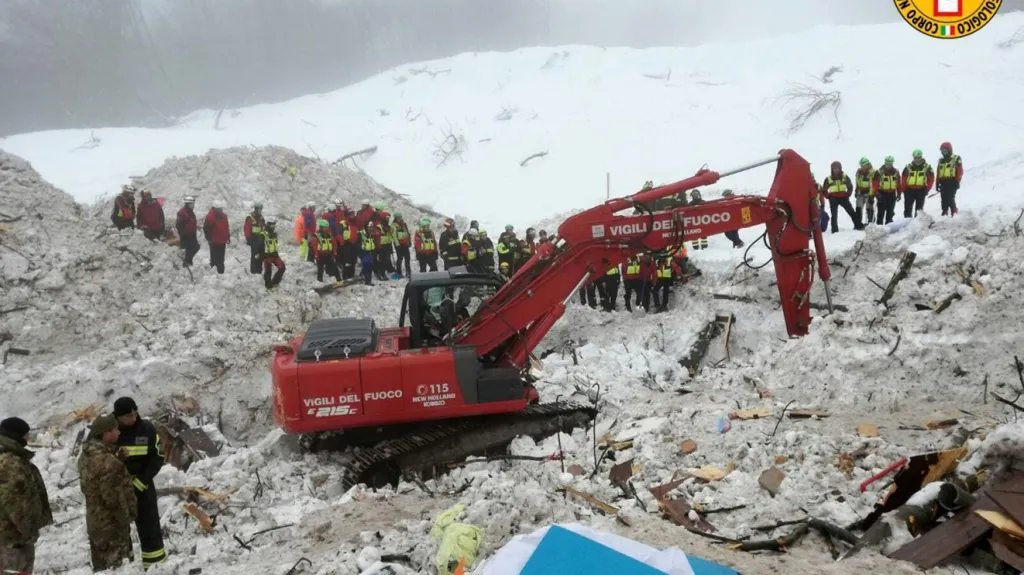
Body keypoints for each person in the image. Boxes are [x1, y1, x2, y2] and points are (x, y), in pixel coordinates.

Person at [114, 397, 166, 570]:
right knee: (118, 530)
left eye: (135, 413)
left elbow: (158, 456)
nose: (133, 418)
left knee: (150, 528)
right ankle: (124, 568)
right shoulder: (111, 432)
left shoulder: (147, 429)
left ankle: (156, 567)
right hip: (117, 489)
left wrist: (143, 480)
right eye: (128, 416)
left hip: (143, 486)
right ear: (118, 417)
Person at [79, 414, 136, 572]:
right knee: (116, 569)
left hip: (95, 522)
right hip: (112, 526)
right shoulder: (108, 462)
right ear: (106, 433)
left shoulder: (86, 456)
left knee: (101, 568)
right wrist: (126, 518)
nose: (119, 432)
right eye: (115, 429)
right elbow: (113, 498)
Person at [0, 417, 52, 574]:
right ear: (16, 436)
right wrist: (29, 532)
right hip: (12, 539)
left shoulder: (8, 457)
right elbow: (16, 505)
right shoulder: (10, 463)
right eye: (25, 435)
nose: (27, 439)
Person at [820, 161, 863, 233]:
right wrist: (829, 196)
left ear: (840, 168)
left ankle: (858, 225)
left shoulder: (845, 177)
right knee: (834, 215)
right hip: (833, 198)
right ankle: (834, 230)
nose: (836, 170)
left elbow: (850, 186)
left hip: (843, 197)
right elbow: (824, 190)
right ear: (832, 169)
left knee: (851, 211)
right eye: (834, 168)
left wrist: (848, 194)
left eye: (837, 168)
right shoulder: (828, 179)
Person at [901, 149, 935, 218]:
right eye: (915, 158)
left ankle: (917, 222)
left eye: (918, 157)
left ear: (921, 157)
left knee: (919, 209)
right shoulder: (908, 167)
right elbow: (903, 178)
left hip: (921, 190)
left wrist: (927, 189)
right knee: (907, 208)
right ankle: (907, 221)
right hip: (909, 190)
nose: (916, 159)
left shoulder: (927, 167)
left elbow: (931, 179)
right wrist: (904, 190)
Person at [936, 142, 963, 217]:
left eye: (945, 150)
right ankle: (945, 211)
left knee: (950, 197)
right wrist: (937, 183)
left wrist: (957, 181)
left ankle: (954, 211)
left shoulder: (956, 158)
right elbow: (938, 172)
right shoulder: (941, 161)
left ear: (949, 150)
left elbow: (959, 170)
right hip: (943, 182)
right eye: (942, 151)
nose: (944, 152)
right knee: (943, 198)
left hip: (952, 181)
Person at [203, 200, 230, 274]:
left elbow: (226, 227)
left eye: (220, 208)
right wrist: (209, 238)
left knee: (221, 257)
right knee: (214, 257)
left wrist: (228, 236)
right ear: (214, 208)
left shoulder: (224, 216)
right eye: (218, 209)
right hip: (214, 241)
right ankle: (213, 271)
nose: (219, 210)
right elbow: (206, 228)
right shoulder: (210, 217)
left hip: (222, 241)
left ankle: (221, 272)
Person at [875, 156, 902, 225]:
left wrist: (899, 194)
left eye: (890, 163)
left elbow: (898, 183)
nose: (888, 165)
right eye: (887, 163)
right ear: (885, 162)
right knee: (881, 212)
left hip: (892, 194)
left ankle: (889, 226)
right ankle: (879, 226)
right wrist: (877, 193)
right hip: (882, 194)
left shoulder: (896, 172)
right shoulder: (879, 172)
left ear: (892, 163)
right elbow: (875, 184)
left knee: (890, 212)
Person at [261, 219, 286, 289]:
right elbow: (259, 246)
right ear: (268, 225)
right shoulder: (263, 234)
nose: (273, 227)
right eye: (272, 225)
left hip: (275, 255)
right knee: (268, 271)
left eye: (274, 225)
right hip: (267, 256)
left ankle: (275, 282)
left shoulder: (274, 234)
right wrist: (262, 255)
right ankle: (268, 286)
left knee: (282, 268)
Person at [175, 196, 200, 267]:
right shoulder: (182, 213)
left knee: (196, 247)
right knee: (191, 248)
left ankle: (186, 259)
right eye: (192, 204)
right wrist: (183, 233)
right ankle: (187, 263)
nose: (193, 205)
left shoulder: (190, 212)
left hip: (192, 234)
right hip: (186, 235)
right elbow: (178, 224)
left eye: (193, 204)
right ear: (187, 204)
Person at [853, 157, 878, 225]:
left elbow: (874, 184)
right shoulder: (859, 172)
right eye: (861, 165)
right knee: (858, 207)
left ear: (867, 164)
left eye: (863, 165)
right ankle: (858, 223)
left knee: (869, 208)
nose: (862, 167)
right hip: (860, 192)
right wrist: (856, 190)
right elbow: (857, 181)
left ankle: (870, 223)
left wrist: (872, 195)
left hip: (869, 193)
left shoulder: (873, 173)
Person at [243, 201, 266, 275]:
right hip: (254, 239)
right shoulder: (250, 217)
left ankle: (259, 270)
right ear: (256, 209)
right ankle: (253, 270)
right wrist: (249, 239)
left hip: (261, 239)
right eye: (259, 209)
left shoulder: (261, 217)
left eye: (261, 209)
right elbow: (246, 229)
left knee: (261, 255)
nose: (260, 210)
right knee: (254, 255)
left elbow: (263, 227)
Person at [337, 207, 360, 280]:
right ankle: (345, 276)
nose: (352, 215)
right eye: (350, 214)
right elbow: (339, 234)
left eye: (353, 214)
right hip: (346, 244)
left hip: (355, 244)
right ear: (347, 215)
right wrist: (342, 243)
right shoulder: (344, 223)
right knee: (347, 261)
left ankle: (351, 275)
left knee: (353, 260)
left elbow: (359, 232)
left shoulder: (356, 222)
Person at [392, 213, 413, 278]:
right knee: (400, 258)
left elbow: (407, 233)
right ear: (396, 218)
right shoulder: (394, 226)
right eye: (399, 218)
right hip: (399, 244)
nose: (400, 219)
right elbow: (394, 236)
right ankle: (399, 272)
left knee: (407, 258)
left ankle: (408, 272)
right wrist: (397, 245)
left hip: (405, 243)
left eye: (400, 217)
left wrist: (409, 241)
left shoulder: (404, 224)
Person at [359, 221, 377, 285]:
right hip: (364, 252)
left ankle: (365, 278)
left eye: (372, 227)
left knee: (369, 266)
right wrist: (360, 253)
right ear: (366, 227)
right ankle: (367, 281)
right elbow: (358, 243)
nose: (371, 228)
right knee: (367, 266)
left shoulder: (372, 234)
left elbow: (373, 243)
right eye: (370, 227)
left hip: (371, 252)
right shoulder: (362, 233)